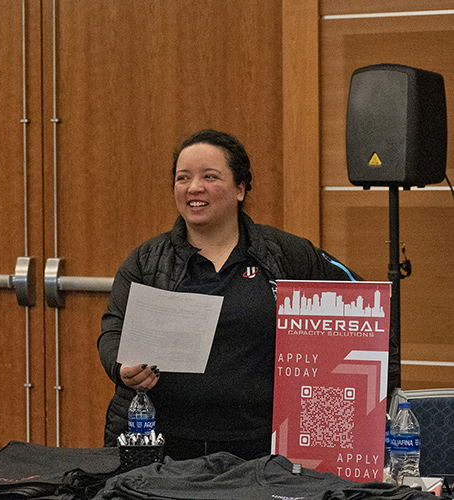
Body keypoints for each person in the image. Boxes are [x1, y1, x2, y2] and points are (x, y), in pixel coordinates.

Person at [98, 129, 361, 461]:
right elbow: (113, 331)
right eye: (183, 178)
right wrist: (121, 367)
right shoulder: (147, 260)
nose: (194, 188)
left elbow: (365, 304)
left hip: (265, 450)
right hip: (164, 448)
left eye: (210, 176)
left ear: (240, 188)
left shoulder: (287, 254)